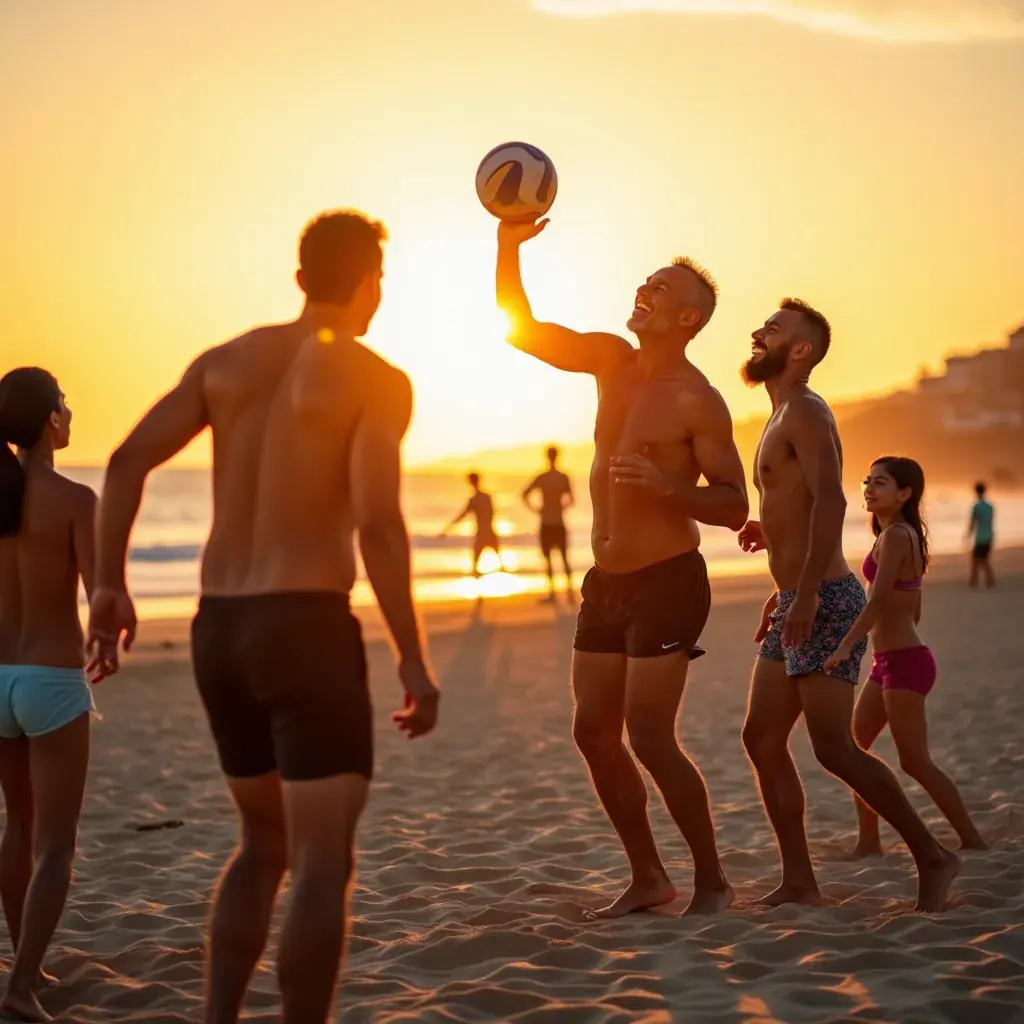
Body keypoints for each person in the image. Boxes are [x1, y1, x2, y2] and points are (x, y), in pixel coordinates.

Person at [86, 210, 440, 1024]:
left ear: (298, 278)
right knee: (321, 864)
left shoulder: (225, 362)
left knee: (262, 844)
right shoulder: (375, 378)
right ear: (371, 283)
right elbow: (379, 521)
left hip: (221, 630)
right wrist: (413, 661)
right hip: (306, 625)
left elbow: (126, 459)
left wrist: (108, 583)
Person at [496, 217, 748, 917]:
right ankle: (648, 876)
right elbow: (522, 330)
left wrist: (671, 489)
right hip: (605, 584)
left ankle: (712, 881)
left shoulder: (697, 398)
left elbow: (732, 504)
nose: (644, 288)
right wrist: (508, 247)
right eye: (646, 281)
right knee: (592, 732)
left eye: (660, 287)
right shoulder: (610, 360)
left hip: (668, 581)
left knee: (650, 736)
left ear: (687, 316)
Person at [737, 301, 961, 912]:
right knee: (761, 738)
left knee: (833, 748)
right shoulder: (780, 413)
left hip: (825, 598)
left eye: (774, 330)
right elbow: (800, 506)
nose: (758, 334)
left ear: (801, 351)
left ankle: (933, 855)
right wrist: (772, 542)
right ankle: (800, 880)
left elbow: (832, 504)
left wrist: (806, 593)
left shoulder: (805, 410)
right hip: (794, 599)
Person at [0, 368, 104, 1024]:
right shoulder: (75, 499)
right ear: (48, 422)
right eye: (64, 402)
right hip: (51, 682)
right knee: (57, 844)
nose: (70, 410)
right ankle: (20, 988)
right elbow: (102, 595)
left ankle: (26, 963)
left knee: (19, 823)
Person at [824, 457, 986, 856]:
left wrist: (845, 646)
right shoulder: (893, 533)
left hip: (907, 662)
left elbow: (878, 602)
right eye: (867, 481)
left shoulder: (897, 535)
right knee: (854, 747)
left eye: (880, 482)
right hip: (890, 662)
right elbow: (911, 605)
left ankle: (972, 839)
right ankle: (869, 841)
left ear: (904, 493)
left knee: (915, 761)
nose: (869, 488)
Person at [522, 446, 574, 602]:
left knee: (549, 559)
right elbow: (571, 499)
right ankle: (569, 593)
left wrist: (537, 509)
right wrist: (560, 508)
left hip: (546, 522)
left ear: (547, 457)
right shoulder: (563, 477)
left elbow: (525, 494)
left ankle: (553, 594)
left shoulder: (543, 477)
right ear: (557, 456)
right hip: (558, 521)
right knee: (564, 557)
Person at [441, 472, 504, 578]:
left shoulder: (475, 499)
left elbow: (463, 515)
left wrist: (448, 528)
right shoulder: (485, 497)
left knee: (476, 563)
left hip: (483, 532)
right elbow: (492, 513)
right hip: (488, 530)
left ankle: (480, 588)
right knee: (497, 559)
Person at [966, 481, 995, 588]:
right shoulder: (990, 506)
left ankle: (987, 580)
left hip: (980, 537)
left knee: (979, 560)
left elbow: (973, 522)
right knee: (979, 559)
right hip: (989, 535)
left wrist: (968, 534)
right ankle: (974, 581)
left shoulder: (977, 507)